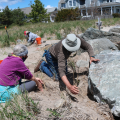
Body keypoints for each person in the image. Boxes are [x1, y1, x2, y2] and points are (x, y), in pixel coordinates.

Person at [34, 34, 99, 95]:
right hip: (51, 56)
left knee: (66, 73)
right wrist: (69, 86)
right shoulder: (61, 52)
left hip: (59, 53)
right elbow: (61, 71)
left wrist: (92, 57)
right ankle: (42, 65)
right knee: (57, 77)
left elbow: (88, 46)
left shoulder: (75, 39)